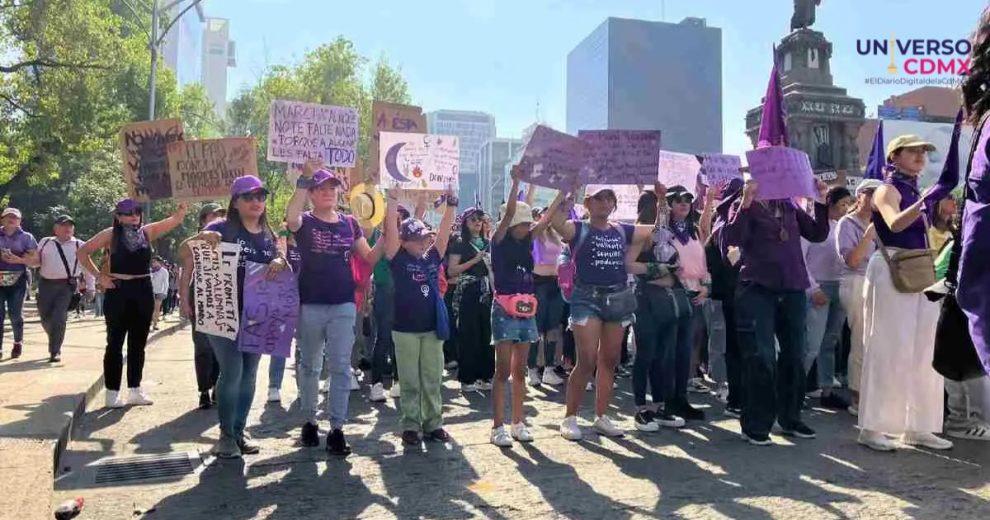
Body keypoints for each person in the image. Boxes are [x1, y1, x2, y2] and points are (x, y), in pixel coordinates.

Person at [858, 135, 955, 452]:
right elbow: (895, 224)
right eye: (912, 151)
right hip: (891, 267)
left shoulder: (915, 190)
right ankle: (872, 427)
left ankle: (919, 425)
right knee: (888, 346)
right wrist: (926, 201)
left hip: (919, 269)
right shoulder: (887, 189)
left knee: (925, 350)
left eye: (923, 152)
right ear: (894, 156)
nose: (920, 156)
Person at [287, 161, 386, 456]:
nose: (328, 192)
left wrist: (389, 231)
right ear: (312, 193)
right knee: (310, 365)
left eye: (332, 187)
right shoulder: (304, 220)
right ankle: (309, 420)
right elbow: (291, 216)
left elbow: (368, 257)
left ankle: (337, 429)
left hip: (343, 303)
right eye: (321, 188)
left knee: (341, 367)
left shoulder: (350, 223)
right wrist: (303, 180)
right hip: (311, 303)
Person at [722, 177, 830, 446]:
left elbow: (817, 233)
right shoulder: (744, 203)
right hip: (757, 288)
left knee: (795, 355)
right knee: (761, 356)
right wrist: (746, 202)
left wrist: (820, 200)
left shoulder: (791, 206)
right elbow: (732, 238)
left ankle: (790, 418)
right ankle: (756, 424)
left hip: (792, 288)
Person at [185, 176, 286, 458]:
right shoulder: (220, 227)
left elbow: (281, 262)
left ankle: (239, 432)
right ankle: (226, 436)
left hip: (257, 314)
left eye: (260, 196)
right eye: (249, 196)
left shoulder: (269, 234)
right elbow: (186, 253)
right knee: (233, 370)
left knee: (250, 373)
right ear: (235, 202)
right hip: (222, 311)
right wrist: (201, 238)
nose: (256, 201)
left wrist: (280, 261)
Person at [549, 185, 652, 440]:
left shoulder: (620, 229)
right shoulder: (578, 228)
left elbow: (654, 232)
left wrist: (657, 200)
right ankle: (570, 418)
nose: (605, 203)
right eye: (599, 198)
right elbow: (554, 221)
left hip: (617, 297)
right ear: (588, 203)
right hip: (586, 298)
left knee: (609, 360)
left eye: (609, 199)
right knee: (586, 359)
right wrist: (565, 193)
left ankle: (601, 417)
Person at [78, 199, 187, 408]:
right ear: (118, 216)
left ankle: (135, 390)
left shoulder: (147, 232)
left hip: (143, 290)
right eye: (127, 213)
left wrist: (181, 211)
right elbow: (83, 252)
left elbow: (175, 220)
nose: (134, 216)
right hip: (118, 290)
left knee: (138, 344)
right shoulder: (110, 234)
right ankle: (112, 393)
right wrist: (99, 277)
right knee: (115, 343)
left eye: (136, 211)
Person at [384, 186, 457, 446]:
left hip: (431, 328)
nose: (424, 241)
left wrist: (451, 205)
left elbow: (444, 237)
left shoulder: (430, 258)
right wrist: (392, 200)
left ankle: (434, 423)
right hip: (404, 329)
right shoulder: (397, 257)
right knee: (410, 380)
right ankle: (411, 425)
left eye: (425, 237)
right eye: (418, 238)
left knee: (432, 377)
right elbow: (390, 232)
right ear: (404, 241)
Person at [488, 172, 548, 446]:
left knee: (521, 368)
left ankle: (518, 422)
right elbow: (510, 211)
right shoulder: (498, 241)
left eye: (527, 223)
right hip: (503, 308)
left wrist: (563, 193)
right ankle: (497, 426)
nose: (527, 227)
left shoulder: (527, 241)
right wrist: (514, 184)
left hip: (526, 308)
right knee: (502, 370)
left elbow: (546, 220)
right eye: (522, 223)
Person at [626, 184, 689, 432]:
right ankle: (641, 408)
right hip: (647, 300)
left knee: (665, 355)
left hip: (669, 298)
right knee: (646, 354)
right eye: (658, 205)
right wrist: (659, 270)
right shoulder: (639, 234)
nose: (662, 209)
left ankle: (662, 406)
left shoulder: (668, 234)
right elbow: (629, 265)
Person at [801, 186, 854, 410]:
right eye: (842, 204)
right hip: (818, 288)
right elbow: (800, 261)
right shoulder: (812, 227)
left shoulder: (842, 226)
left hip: (838, 286)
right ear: (829, 204)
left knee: (830, 341)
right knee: (811, 344)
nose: (845, 208)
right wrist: (813, 289)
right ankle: (794, 388)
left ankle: (826, 389)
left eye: (847, 204)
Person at [835, 179, 881, 416]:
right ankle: (857, 396)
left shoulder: (883, 222)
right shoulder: (847, 223)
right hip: (855, 281)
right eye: (871, 193)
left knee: (877, 341)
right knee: (861, 339)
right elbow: (852, 260)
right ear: (860, 195)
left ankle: (875, 393)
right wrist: (868, 236)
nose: (876, 198)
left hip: (880, 282)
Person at [178, 203, 225, 410]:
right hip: (200, 296)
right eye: (213, 215)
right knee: (203, 346)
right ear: (203, 219)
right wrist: (184, 300)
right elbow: (186, 273)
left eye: (221, 215)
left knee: (221, 348)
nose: (217, 218)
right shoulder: (193, 242)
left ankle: (217, 386)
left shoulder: (229, 237)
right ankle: (204, 390)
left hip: (223, 297)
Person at [367, 203, 412, 402]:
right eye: (392, 215)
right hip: (384, 291)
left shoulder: (405, 239)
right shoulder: (377, 237)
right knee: (384, 337)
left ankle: (398, 380)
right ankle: (376, 384)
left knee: (400, 339)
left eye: (399, 216)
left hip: (403, 293)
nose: (397, 219)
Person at [448, 207, 495, 392]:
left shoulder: (488, 243)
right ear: (465, 222)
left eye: (480, 219)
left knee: (486, 333)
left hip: (487, 291)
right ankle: (467, 378)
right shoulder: (460, 243)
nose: (477, 222)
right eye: (473, 219)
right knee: (469, 334)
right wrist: (474, 261)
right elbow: (452, 270)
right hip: (467, 290)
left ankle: (486, 375)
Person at [35, 215, 83, 362]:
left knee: (59, 317)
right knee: (45, 318)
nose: (67, 228)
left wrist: (91, 286)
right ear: (55, 229)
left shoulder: (80, 245)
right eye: (63, 225)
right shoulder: (45, 242)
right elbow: (35, 261)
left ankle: (55, 350)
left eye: (70, 226)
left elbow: (86, 267)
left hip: (66, 286)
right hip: (45, 284)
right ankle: (54, 336)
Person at [529, 205, 566, 387]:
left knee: (553, 327)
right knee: (536, 328)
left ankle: (549, 369)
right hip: (538, 283)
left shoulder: (556, 234)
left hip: (556, 283)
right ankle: (532, 369)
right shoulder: (535, 231)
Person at [0, 207, 38, 360]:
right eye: (8, 217)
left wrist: (19, 260)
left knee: (15, 314)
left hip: (19, 278)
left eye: (15, 218)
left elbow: (36, 261)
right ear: (2, 219)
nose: (11, 220)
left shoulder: (27, 237)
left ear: (20, 221)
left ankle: (17, 342)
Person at [150, 257, 169, 331]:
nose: (153, 263)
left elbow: (166, 282)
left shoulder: (164, 271)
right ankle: (150, 322)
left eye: (155, 261)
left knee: (156, 309)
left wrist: (165, 292)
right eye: (152, 262)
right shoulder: (150, 271)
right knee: (150, 308)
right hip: (151, 291)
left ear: (159, 262)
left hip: (159, 292)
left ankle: (155, 324)